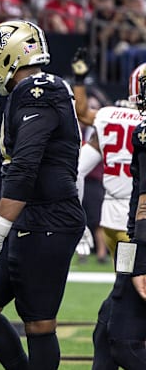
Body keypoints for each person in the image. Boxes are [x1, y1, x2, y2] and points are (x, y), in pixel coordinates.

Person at [0, 20, 85, 370]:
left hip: (48, 217)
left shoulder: (40, 89)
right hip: (29, 214)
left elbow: (26, 167)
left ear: (8, 56)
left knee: (38, 322)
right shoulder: (33, 91)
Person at [72, 51, 146, 369]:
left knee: (119, 317)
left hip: (121, 224)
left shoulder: (108, 117)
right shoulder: (139, 128)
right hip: (133, 225)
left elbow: (76, 166)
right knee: (118, 304)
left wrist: (79, 83)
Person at [99, 62, 146, 370]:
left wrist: (140, 261)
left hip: (140, 241)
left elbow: (144, 200)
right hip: (132, 238)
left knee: (123, 341)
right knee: (105, 327)